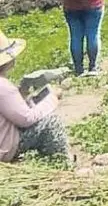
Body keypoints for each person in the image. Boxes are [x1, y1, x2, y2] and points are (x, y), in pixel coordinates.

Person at [0, 30, 70, 162]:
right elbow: (27, 118)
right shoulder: (3, 87)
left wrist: (23, 94)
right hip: (4, 148)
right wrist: (51, 99)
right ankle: (62, 162)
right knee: (51, 122)